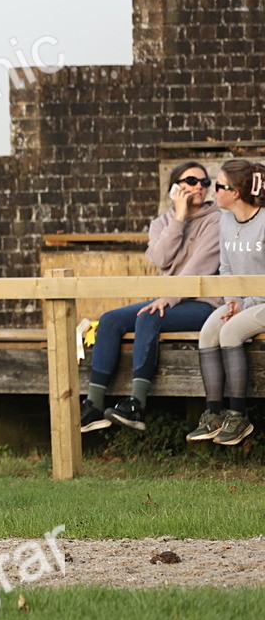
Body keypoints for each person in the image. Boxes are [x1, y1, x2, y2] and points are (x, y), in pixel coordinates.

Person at [80, 161, 221, 433]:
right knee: (109, 320)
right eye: (192, 181)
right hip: (168, 300)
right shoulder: (162, 223)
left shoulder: (216, 221)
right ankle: (93, 406)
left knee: (149, 317)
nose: (200, 187)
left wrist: (167, 298)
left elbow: (199, 268)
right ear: (174, 189)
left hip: (204, 302)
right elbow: (160, 258)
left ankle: (137, 405)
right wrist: (179, 219)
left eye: (205, 183)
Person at [187, 160, 265, 446]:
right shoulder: (225, 221)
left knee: (230, 332)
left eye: (219, 186)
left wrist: (246, 302)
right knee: (209, 332)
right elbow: (226, 268)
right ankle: (214, 414)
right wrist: (232, 299)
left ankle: (238, 415)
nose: (214, 191)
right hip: (241, 300)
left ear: (236, 192)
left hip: (263, 301)